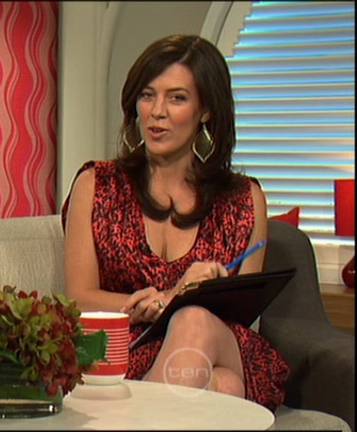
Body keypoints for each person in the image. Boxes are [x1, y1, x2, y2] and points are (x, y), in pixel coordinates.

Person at [62, 34, 289, 410]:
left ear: (206, 110)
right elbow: (79, 297)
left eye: (177, 98)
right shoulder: (96, 185)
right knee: (224, 387)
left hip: (218, 341)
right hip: (129, 348)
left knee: (194, 321)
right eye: (147, 95)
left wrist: (190, 300)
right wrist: (159, 301)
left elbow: (243, 316)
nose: (157, 111)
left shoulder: (244, 199)